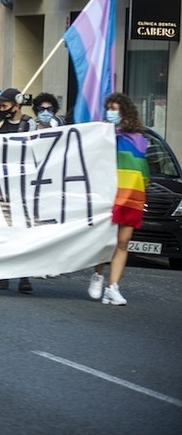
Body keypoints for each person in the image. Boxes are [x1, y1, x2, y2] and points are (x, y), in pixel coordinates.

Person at [88, 93, 149, 306]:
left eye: (115, 109)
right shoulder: (102, 136)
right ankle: (98, 274)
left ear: (125, 112)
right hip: (106, 194)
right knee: (104, 240)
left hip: (130, 195)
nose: (110, 112)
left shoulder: (139, 140)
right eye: (109, 108)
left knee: (123, 243)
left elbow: (142, 170)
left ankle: (112, 288)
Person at [0, 87, 34, 293]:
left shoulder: (28, 124)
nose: (1, 109)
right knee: (3, 228)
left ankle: (24, 275)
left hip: (21, 185)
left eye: (5, 105)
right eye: (0, 105)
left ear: (17, 105)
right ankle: (2, 273)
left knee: (23, 230)